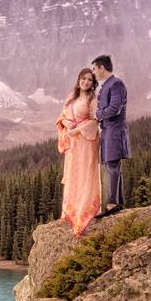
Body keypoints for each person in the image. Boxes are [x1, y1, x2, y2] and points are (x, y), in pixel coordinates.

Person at [56, 68, 101, 237]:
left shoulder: (93, 99)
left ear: (93, 83)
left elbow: (95, 120)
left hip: (87, 141)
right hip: (73, 145)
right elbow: (62, 116)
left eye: (89, 80)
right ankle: (70, 212)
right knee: (74, 174)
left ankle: (85, 212)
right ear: (79, 80)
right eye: (83, 78)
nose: (86, 82)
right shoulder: (71, 98)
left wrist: (76, 131)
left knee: (86, 174)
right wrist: (66, 122)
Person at [92, 55, 130, 218]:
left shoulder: (116, 84)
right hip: (108, 131)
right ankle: (117, 202)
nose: (94, 73)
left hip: (114, 131)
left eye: (94, 69)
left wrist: (97, 115)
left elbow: (115, 108)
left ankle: (112, 204)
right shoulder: (108, 85)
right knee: (112, 167)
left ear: (101, 68)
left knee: (112, 167)